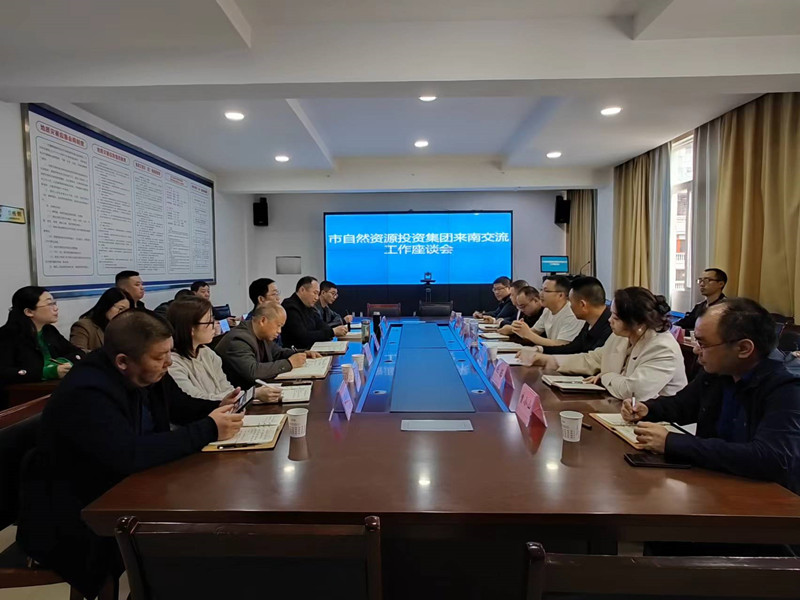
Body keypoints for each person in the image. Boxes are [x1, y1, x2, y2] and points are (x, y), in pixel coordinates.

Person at [16, 310, 243, 598]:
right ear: (122, 361)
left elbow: (181, 406)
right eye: (160, 356)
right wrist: (209, 428)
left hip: (126, 489)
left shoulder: (147, 371)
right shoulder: (87, 391)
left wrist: (218, 409)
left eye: (170, 352)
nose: (169, 362)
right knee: (190, 543)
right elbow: (128, 455)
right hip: (77, 514)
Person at [623, 298, 800, 494]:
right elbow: (683, 405)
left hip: (770, 498)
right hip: (717, 483)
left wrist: (672, 443)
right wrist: (648, 409)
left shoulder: (788, 386)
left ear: (743, 348)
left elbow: (772, 458)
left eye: (702, 343)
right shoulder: (720, 370)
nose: (695, 349)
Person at [522, 287, 687, 401]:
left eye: (615, 317)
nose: (609, 321)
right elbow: (593, 359)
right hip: (622, 409)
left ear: (636, 322)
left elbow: (633, 391)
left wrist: (605, 376)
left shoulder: (662, 347)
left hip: (660, 423)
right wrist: (547, 359)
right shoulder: (622, 336)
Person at [166, 296, 280, 403]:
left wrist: (246, 395)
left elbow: (227, 390)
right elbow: (196, 399)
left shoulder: (208, 353)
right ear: (191, 329)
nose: (215, 325)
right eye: (209, 321)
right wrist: (252, 394)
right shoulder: (172, 364)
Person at [215, 302, 316, 387]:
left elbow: (278, 353)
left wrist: (302, 353)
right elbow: (253, 372)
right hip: (238, 395)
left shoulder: (261, 334)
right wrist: (289, 363)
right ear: (263, 321)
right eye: (278, 325)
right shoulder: (238, 340)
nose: (279, 331)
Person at [0, 286, 84, 386]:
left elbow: (78, 353)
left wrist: (62, 363)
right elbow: (5, 373)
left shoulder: (49, 330)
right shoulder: (7, 335)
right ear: (29, 312)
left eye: (54, 303)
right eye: (50, 304)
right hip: (24, 392)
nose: (56, 308)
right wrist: (46, 372)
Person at [540, 276, 611, 355]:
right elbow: (574, 347)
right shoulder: (589, 322)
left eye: (571, 302)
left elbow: (590, 359)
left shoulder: (611, 329)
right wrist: (540, 350)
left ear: (582, 304)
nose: (570, 306)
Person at [511, 275, 584, 347]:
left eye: (546, 291)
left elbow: (561, 344)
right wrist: (519, 329)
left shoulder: (572, 313)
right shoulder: (547, 310)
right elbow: (535, 331)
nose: (540, 294)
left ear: (560, 295)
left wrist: (528, 334)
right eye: (541, 289)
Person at [281, 276, 348, 349]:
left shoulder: (308, 306)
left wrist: (332, 331)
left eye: (318, 294)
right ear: (302, 290)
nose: (317, 298)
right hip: (297, 352)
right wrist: (332, 332)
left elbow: (321, 324)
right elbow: (302, 337)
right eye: (315, 293)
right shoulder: (290, 307)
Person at [69, 287, 131, 352]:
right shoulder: (83, 326)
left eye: (127, 311)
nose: (123, 314)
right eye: (121, 309)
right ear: (107, 306)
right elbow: (78, 353)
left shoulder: (124, 328)